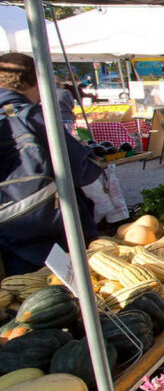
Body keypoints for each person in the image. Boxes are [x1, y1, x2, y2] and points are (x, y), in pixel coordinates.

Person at [0, 53, 102, 274]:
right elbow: (81, 171)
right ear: (35, 81)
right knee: (64, 290)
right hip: (51, 226)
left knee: (23, 293)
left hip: (8, 229)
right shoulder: (31, 115)